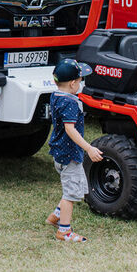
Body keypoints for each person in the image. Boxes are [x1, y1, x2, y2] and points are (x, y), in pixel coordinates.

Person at [44, 60, 103, 242]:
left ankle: (56, 216)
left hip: (60, 153)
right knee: (71, 195)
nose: (81, 83)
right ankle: (64, 231)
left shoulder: (56, 96)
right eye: (80, 80)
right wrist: (89, 148)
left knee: (72, 187)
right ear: (73, 84)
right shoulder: (70, 103)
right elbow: (70, 129)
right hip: (70, 155)